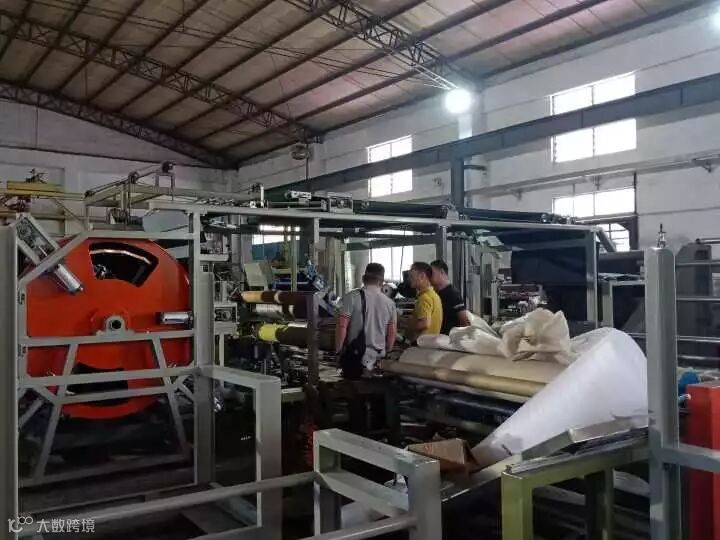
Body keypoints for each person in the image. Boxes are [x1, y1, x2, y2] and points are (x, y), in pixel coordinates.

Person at [335, 262, 397, 376]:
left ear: (363, 278)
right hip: (379, 359)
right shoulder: (390, 304)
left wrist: (338, 352)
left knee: (353, 386)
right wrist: (387, 352)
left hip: (356, 358)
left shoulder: (351, 297)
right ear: (382, 282)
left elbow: (342, 326)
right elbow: (392, 333)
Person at [430, 259, 471, 335]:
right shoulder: (434, 293)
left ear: (442, 272)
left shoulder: (453, 294)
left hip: (448, 338)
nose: (429, 276)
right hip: (435, 337)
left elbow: (464, 322)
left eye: (431, 273)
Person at [408, 262, 442, 338]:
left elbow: (424, 323)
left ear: (422, 276)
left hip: (423, 343)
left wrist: (408, 325)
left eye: (411, 276)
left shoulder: (424, 298)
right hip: (432, 341)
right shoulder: (434, 295)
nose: (409, 279)